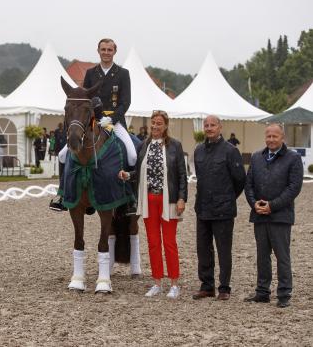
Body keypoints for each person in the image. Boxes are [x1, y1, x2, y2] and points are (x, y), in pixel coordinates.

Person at [52, 38, 134, 213]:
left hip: (114, 121)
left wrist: (111, 120)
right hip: (93, 121)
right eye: (103, 49)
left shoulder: (122, 73)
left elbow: (125, 102)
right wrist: (93, 118)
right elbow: (84, 99)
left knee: (132, 154)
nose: (106, 52)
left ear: (114, 52)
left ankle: (130, 198)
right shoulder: (90, 73)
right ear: (98, 51)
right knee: (62, 155)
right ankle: (62, 195)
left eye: (109, 49)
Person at [118, 110, 187, 298]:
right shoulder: (144, 145)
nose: (155, 126)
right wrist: (128, 175)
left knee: (169, 243)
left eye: (159, 123)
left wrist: (182, 198)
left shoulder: (175, 146)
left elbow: (182, 175)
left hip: (169, 200)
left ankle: (174, 283)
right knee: (153, 243)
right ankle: (157, 281)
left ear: (165, 126)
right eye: (153, 123)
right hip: (148, 201)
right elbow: (139, 171)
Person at [244, 124, 303, 308]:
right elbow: (249, 185)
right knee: (262, 256)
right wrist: (254, 203)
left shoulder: (293, 158)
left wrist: (272, 206)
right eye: (268, 136)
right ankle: (262, 292)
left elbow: (294, 188)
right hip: (259, 215)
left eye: (274, 136)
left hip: (280, 216)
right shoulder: (256, 157)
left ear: (282, 137)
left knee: (282, 256)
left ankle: (284, 293)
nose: (270, 139)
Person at [192, 115, 246, 301]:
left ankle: (224, 287)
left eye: (212, 125)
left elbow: (240, 180)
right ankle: (207, 286)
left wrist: (227, 197)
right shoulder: (198, 150)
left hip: (223, 210)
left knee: (223, 249)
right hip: (203, 208)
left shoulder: (230, 151)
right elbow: (200, 178)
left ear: (220, 127)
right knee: (203, 249)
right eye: (206, 125)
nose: (209, 128)